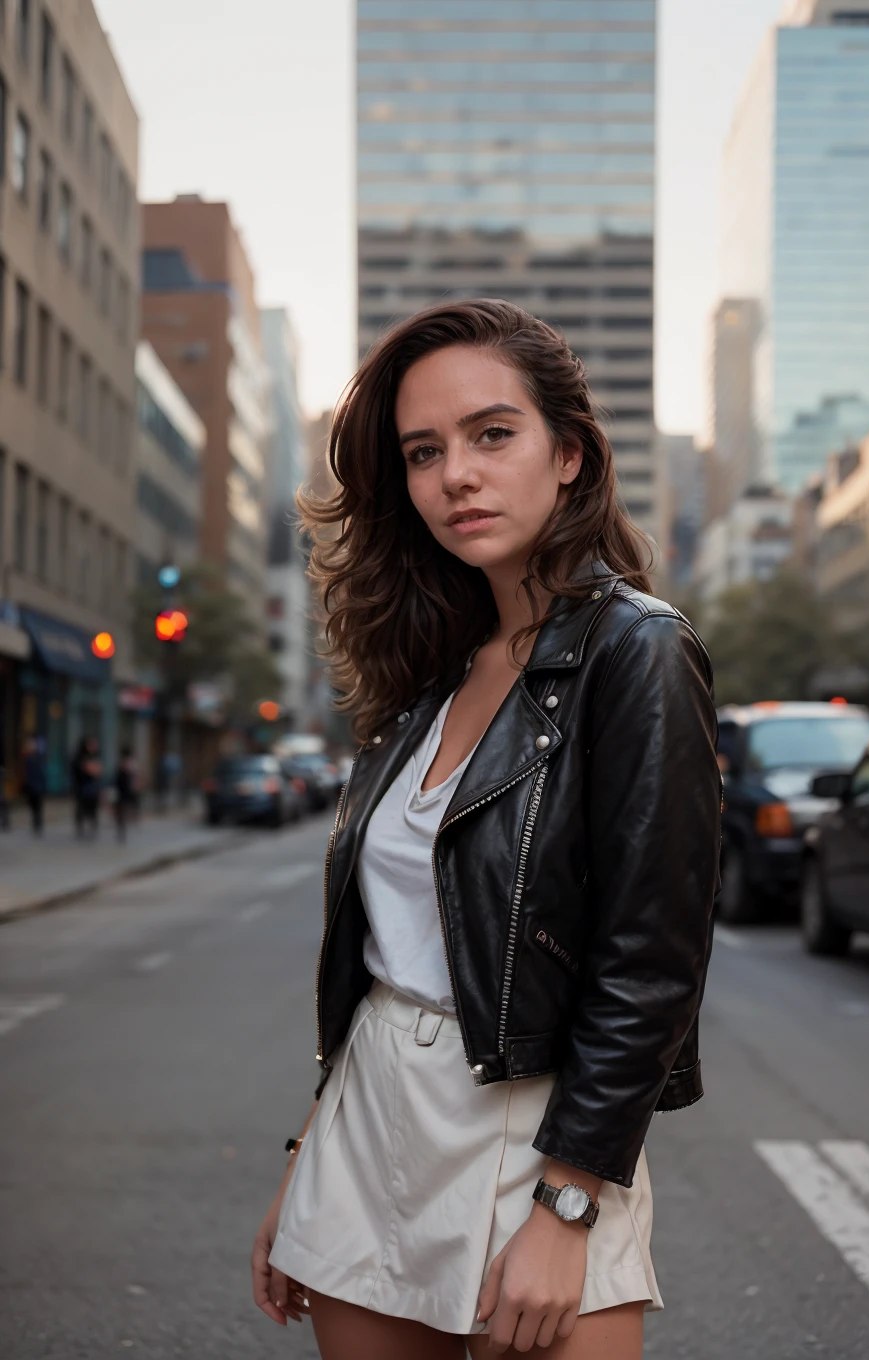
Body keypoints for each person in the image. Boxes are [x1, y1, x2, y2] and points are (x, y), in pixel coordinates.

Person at [251, 300, 721, 1360]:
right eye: (424, 452)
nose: (455, 474)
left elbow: (648, 963)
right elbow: (384, 956)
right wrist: (309, 1153)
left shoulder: (635, 653)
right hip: (368, 1117)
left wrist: (566, 1208)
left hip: (539, 1133)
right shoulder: (432, 668)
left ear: (568, 454)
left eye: (491, 434)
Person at [71, 736, 103, 840]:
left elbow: (98, 770)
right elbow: (92, 770)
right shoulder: (81, 757)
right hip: (82, 787)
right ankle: (81, 827)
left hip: (91, 787)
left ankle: (91, 825)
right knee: (82, 807)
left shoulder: (94, 756)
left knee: (92, 807)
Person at [113, 745, 140, 842]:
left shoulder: (126, 764)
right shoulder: (124, 765)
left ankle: (125, 826)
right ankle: (122, 828)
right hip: (124, 791)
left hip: (126, 792)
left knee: (124, 812)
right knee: (122, 812)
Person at [22, 736, 47, 836]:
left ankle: (38, 825)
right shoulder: (28, 759)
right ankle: (37, 825)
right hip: (33, 786)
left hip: (35, 787)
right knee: (34, 807)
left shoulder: (34, 760)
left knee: (37, 807)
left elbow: (40, 774)